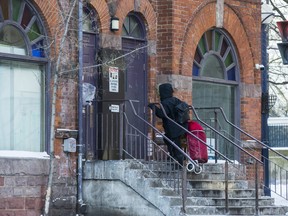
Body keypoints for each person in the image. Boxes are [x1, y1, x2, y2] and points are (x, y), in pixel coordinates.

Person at [148, 83, 188, 165]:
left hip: (173, 128)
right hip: (181, 126)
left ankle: (178, 163)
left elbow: (162, 114)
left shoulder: (166, 102)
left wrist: (153, 107)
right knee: (169, 140)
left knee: (174, 144)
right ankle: (174, 157)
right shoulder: (175, 100)